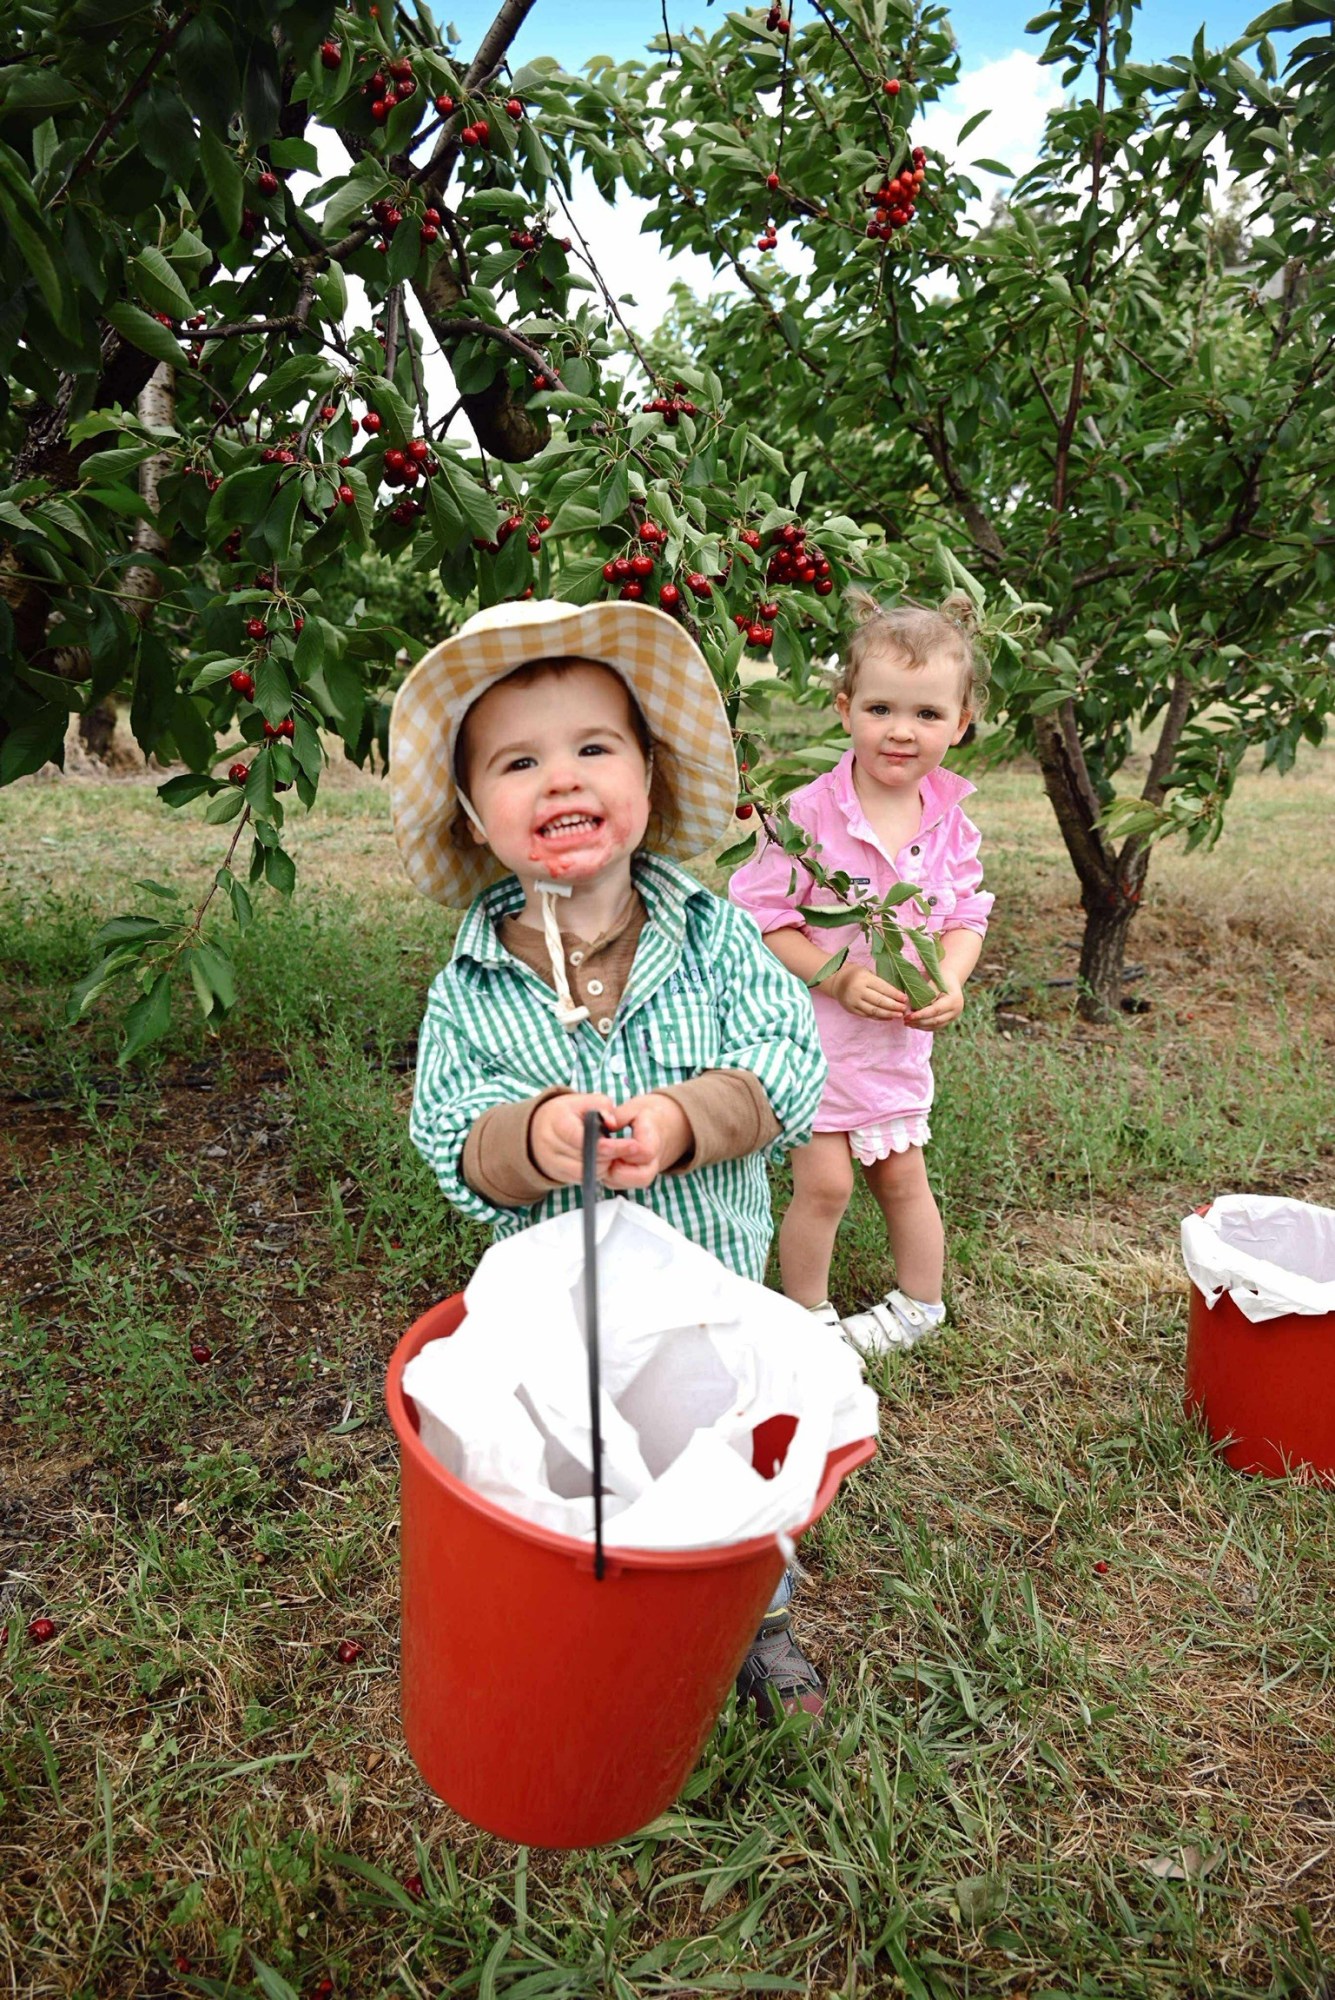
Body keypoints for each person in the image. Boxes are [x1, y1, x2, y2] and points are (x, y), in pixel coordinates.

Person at [389, 597, 830, 1717]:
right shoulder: (473, 981)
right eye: (518, 761)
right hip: (561, 1314)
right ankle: (598, 1617)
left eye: (594, 747)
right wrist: (531, 1135)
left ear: (650, 779)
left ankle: (752, 1621)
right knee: (574, 1466)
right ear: (476, 817)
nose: (561, 778)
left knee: (730, 1452)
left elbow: (788, 1057)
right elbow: (449, 1126)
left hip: (709, 1292)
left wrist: (689, 1118)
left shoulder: (716, 933)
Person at [729, 590, 993, 1353]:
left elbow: (964, 917)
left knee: (903, 1180)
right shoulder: (807, 815)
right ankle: (806, 1317)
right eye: (880, 708)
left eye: (926, 714)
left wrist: (950, 978)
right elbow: (764, 917)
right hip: (815, 1043)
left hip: (893, 1047)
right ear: (844, 709)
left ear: (960, 723)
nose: (901, 731)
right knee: (825, 1183)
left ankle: (919, 1305)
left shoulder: (951, 823)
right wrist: (836, 975)